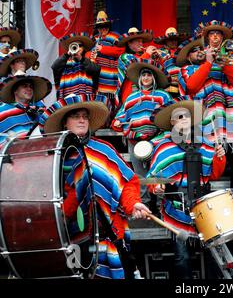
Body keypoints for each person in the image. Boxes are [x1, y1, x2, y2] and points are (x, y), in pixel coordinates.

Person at [38, 94, 152, 279]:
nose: (82, 120)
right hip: (70, 238)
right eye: (76, 116)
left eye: (85, 116)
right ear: (65, 123)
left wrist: (133, 204)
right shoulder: (54, 157)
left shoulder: (104, 150)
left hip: (109, 232)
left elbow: (128, 181)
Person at [146, 96, 226, 279]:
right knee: (182, 258)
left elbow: (213, 175)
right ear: (172, 122)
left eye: (187, 116)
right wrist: (156, 187)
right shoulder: (163, 148)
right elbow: (154, 178)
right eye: (179, 117)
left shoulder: (206, 144)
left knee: (213, 255)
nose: (184, 119)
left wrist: (220, 158)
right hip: (177, 209)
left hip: (203, 208)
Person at [178, 20, 233, 191]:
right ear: (206, 38)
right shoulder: (187, 69)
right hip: (202, 124)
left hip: (226, 120)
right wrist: (208, 62)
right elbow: (192, 86)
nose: (215, 36)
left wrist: (225, 65)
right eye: (212, 34)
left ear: (222, 38)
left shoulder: (228, 59)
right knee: (204, 161)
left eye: (218, 34)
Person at [112, 58, 172, 205]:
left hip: (157, 139)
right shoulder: (131, 98)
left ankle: (160, 203)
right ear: (139, 79)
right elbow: (119, 118)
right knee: (139, 174)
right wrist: (118, 122)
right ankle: (144, 204)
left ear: (154, 78)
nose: (146, 78)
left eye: (149, 75)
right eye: (143, 75)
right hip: (135, 141)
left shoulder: (162, 96)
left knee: (158, 170)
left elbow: (172, 114)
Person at [87, 11, 124, 113]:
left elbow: (121, 50)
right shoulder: (94, 39)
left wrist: (102, 49)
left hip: (111, 76)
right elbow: (87, 53)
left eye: (105, 26)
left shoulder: (115, 36)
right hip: (98, 78)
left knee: (112, 103)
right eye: (100, 27)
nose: (103, 29)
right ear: (97, 28)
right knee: (100, 105)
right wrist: (91, 56)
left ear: (109, 26)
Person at [0, 73, 51, 147]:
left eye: (31, 86)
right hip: (11, 155)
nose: (29, 89)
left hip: (39, 152)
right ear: (15, 91)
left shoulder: (39, 111)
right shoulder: (4, 111)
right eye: (25, 86)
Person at [116, 27, 161, 107]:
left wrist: (158, 59)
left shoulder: (143, 56)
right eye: (138, 41)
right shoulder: (124, 57)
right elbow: (133, 68)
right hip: (130, 95)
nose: (141, 44)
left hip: (146, 94)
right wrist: (147, 54)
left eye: (142, 41)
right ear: (129, 43)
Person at [51, 32, 100, 99]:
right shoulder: (64, 61)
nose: (77, 47)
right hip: (67, 100)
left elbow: (95, 70)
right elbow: (55, 67)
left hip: (85, 99)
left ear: (84, 48)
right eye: (74, 45)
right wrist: (67, 55)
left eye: (79, 45)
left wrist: (81, 58)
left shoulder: (90, 60)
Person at [154, 27, 190, 96]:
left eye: (175, 39)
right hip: (169, 86)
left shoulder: (184, 51)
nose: (173, 41)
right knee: (172, 100)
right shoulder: (159, 53)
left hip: (184, 83)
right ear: (166, 41)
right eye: (170, 40)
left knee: (186, 102)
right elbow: (157, 71)